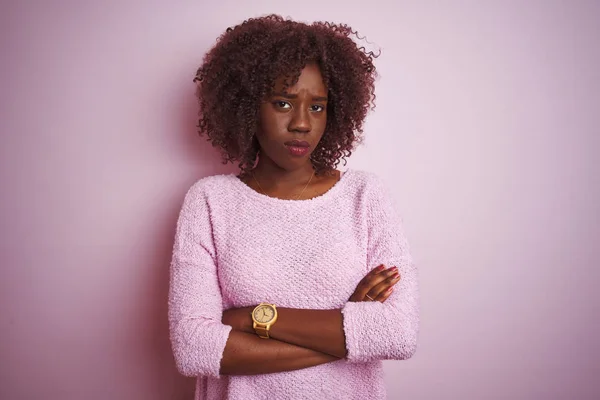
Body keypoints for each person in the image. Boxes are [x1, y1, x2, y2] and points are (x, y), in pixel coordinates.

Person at [168, 14, 419, 400]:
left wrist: (254, 318)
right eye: (283, 102)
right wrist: (347, 329)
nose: (302, 123)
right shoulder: (210, 202)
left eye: (317, 107)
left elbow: (397, 333)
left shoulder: (365, 196)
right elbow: (195, 348)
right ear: (248, 106)